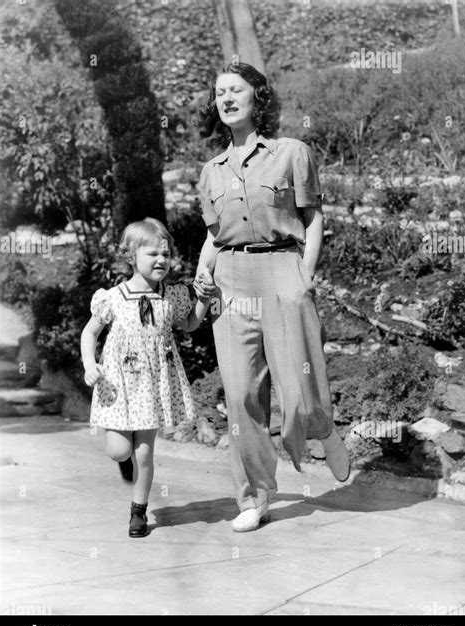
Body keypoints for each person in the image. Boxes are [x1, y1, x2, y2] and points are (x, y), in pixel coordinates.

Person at [193, 62, 350, 533]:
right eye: (219, 92)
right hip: (229, 280)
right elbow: (212, 234)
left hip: (282, 267)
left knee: (297, 389)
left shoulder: (290, 152)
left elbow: (314, 215)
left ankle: (321, 428)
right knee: (241, 394)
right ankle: (254, 498)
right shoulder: (210, 171)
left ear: (257, 97)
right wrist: (202, 271)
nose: (226, 98)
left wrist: (304, 273)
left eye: (235, 89)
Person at [81, 218, 211, 538]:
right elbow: (89, 333)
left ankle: (138, 512)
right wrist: (88, 364)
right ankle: (122, 460)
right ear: (131, 257)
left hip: (153, 386)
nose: (161, 260)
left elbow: (191, 325)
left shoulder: (172, 296)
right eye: (152, 254)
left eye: (166, 254)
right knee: (119, 451)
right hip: (118, 385)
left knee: (145, 453)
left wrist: (206, 300)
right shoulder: (113, 298)